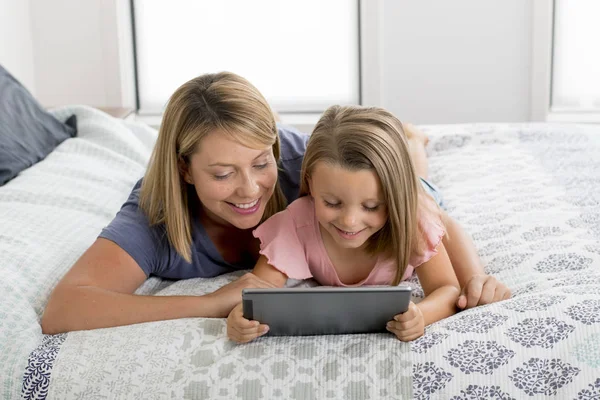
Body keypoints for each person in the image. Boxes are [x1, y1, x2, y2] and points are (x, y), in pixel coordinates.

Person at [41, 72, 509, 335]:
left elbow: (424, 217)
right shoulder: (154, 217)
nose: (249, 190)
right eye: (223, 174)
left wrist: (472, 280)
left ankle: (414, 143)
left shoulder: (304, 166)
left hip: (404, 196)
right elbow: (64, 310)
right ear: (184, 169)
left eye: (259, 163)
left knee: (415, 184)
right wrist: (209, 304)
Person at [227, 105, 461, 343]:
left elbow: (447, 289)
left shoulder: (414, 218)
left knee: (421, 181)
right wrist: (242, 319)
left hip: (419, 194)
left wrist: (421, 314)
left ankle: (415, 141)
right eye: (332, 203)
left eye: (371, 206)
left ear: (394, 199)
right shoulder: (294, 224)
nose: (349, 221)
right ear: (311, 183)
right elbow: (260, 296)